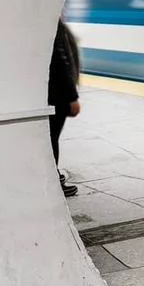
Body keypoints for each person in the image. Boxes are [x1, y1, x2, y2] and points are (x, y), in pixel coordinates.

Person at [48, 19, 82, 197]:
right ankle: (53, 181)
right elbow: (60, 62)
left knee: (49, 138)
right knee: (51, 139)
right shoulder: (52, 23)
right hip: (57, 95)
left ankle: (53, 176)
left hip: (49, 93)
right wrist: (72, 97)